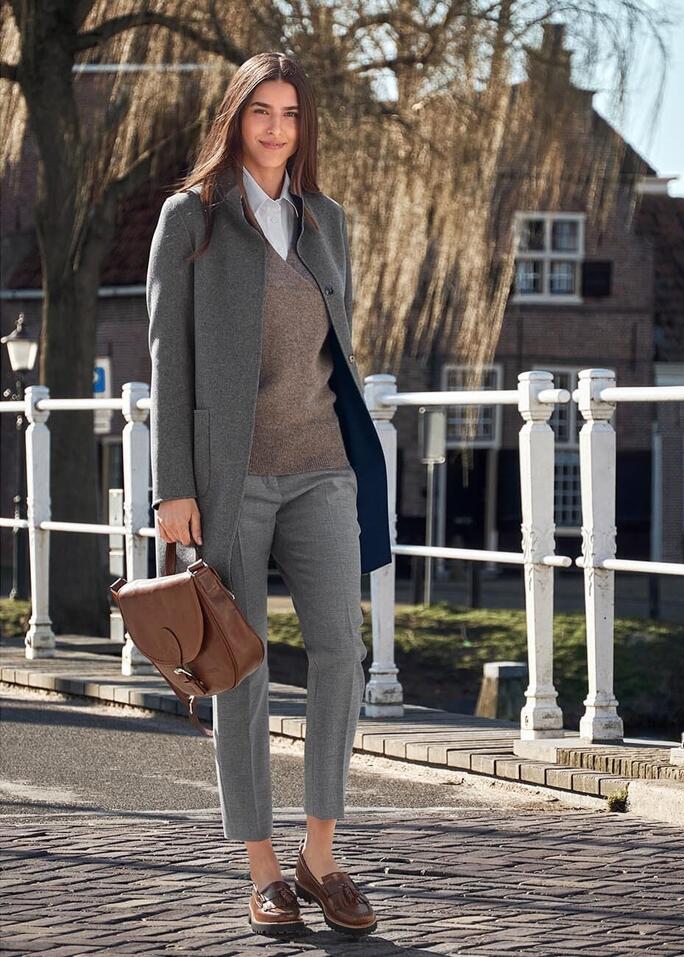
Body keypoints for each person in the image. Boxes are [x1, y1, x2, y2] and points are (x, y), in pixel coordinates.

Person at [146, 50, 391, 939]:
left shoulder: (325, 219)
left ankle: (319, 856)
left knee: (340, 655)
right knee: (240, 668)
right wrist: (173, 486)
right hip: (230, 477)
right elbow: (169, 357)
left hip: (325, 465)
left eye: (291, 113)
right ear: (236, 118)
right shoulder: (193, 219)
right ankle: (261, 869)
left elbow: (339, 350)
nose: (278, 128)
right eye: (262, 112)